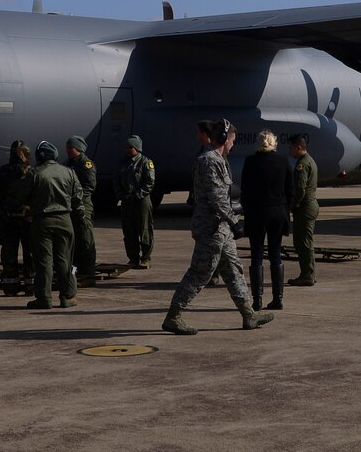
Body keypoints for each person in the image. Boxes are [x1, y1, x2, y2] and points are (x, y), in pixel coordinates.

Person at [163, 120, 274, 335]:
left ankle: (248, 314)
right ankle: (173, 316)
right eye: (232, 139)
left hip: (221, 228)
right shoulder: (209, 161)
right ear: (223, 138)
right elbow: (216, 198)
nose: (233, 144)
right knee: (200, 272)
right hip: (211, 228)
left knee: (234, 270)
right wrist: (234, 221)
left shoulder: (220, 160)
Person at [22, 140, 81, 309]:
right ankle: (67, 296)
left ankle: (44, 298)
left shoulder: (34, 173)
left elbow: (21, 196)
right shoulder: (69, 172)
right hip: (64, 219)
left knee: (43, 261)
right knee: (64, 260)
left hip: (42, 221)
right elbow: (78, 197)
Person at [241, 130, 293, 311]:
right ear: (274, 144)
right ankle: (277, 298)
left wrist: (247, 209)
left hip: (256, 212)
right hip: (277, 212)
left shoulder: (250, 162)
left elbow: (245, 191)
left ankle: (257, 300)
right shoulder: (283, 161)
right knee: (275, 254)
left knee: (256, 255)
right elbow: (290, 190)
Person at [0, 140, 34, 295]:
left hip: (8, 219)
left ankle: (10, 286)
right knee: (30, 253)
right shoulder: (32, 172)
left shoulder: (2, 172)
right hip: (28, 220)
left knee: (9, 253)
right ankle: (31, 285)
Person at [113, 135, 156, 269]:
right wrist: (121, 195)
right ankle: (133, 258)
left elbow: (149, 182)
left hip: (141, 200)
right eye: (126, 147)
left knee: (144, 229)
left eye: (130, 147)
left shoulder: (145, 162)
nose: (127, 149)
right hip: (127, 200)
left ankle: (146, 258)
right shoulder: (122, 163)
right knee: (129, 230)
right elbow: (116, 181)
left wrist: (138, 195)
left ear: (137, 148)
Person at [65, 135, 99, 285]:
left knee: (86, 239)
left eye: (70, 148)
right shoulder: (68, 164)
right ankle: (75, 271)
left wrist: (76, 197)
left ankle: (89, 273)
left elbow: (89, 186)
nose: (67, 151)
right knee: (73, 241)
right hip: (70, 206)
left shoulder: (86, 164)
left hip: (83, 205)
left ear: (78, 148)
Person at [287, 133, 319, 287]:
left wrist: (293, 204)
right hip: (308, 205)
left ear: (298, 147)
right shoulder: (308, 161)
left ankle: (307, 275)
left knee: (303, 242)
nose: (289, 151)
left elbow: (300, 188)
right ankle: (307, 273)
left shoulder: (302, 164)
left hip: (304, 207)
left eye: (291, 147)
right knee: (304, 241)